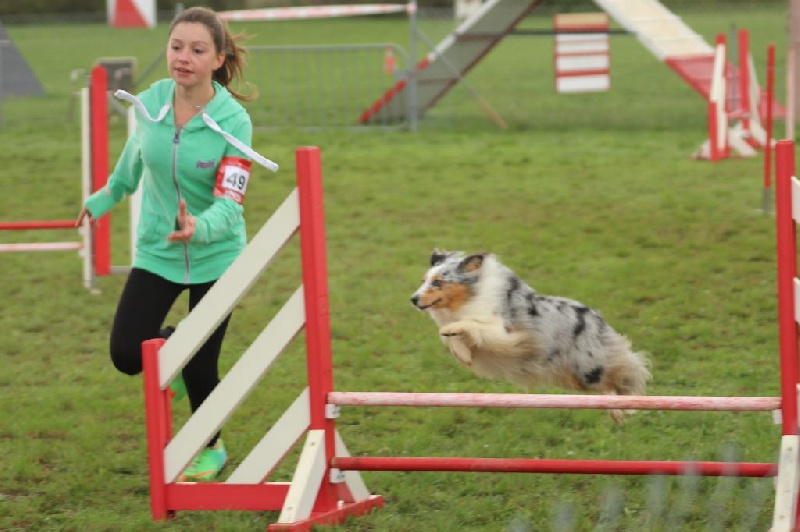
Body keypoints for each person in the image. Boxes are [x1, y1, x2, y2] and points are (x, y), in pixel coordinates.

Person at [76, 6, 278, 482]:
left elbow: (231, 201)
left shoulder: (234, 121)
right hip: (158, 250)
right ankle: (174, 346)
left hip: (217, 252)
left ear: (218, 59)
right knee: (128, 355)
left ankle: (211, 447)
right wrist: (106, 197)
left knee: (201, 365)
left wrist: (199, 228)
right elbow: (136, 158)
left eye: (197, 50)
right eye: (176, 47)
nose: (183, 58)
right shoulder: (152, 101)